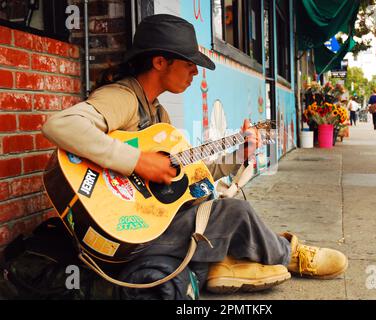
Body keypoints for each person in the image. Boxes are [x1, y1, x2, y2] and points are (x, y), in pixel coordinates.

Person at [42, 14, 347, 295]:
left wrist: (239, 156)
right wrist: (136, 161)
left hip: (148, 228)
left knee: (210, 203)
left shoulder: (159, 116)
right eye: (188, 62)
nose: (194, 71)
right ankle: (289, 254)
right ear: (160, 62)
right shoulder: (123, 97)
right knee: (233, 213)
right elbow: (61, 125)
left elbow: (191, 175)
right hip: (121, 234)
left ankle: (223, 263)